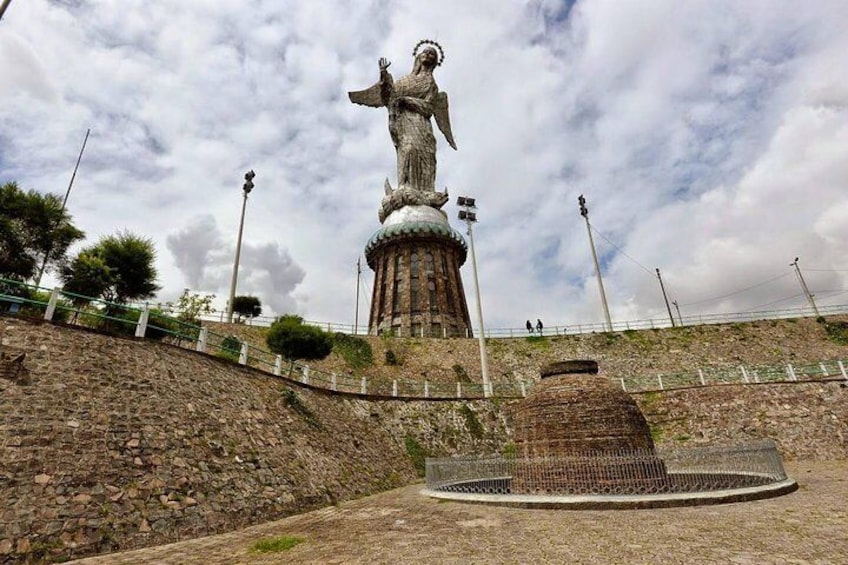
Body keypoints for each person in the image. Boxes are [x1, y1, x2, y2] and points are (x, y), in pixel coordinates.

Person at [348, 40, 456, 193]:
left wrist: (407, 100)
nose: (428, 54)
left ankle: (425, 192)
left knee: (426, 155)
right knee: (408, 149)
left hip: (421, 124)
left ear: (434, 62)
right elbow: (389, 97)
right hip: (404, 123)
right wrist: (384, 76)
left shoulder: (432, 85)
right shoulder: (405, 80)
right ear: (419, 56)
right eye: (426, 52)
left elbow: (428, 108)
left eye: (432, 54)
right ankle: (406, 187)